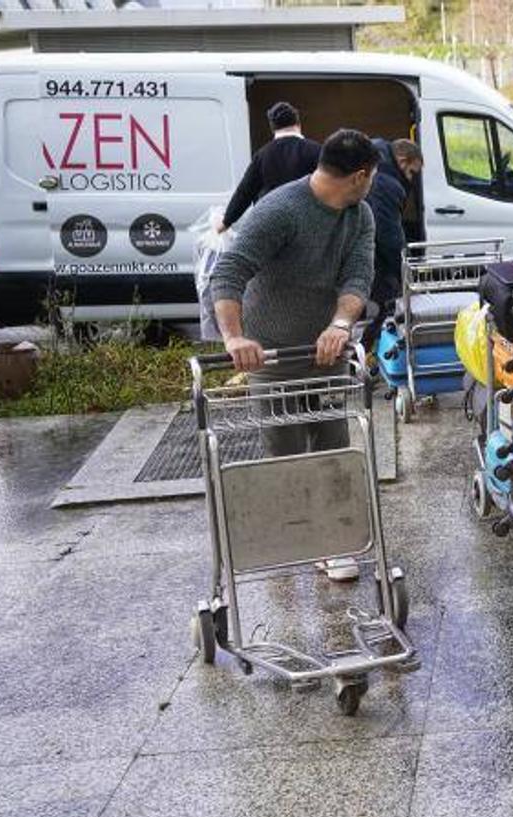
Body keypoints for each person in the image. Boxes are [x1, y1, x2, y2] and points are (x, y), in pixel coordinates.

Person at [210, 128, 379, 582]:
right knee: (283, 448)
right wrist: (234, 338)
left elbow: (358, 277)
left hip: (325, 349)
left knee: (332, 440)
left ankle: (332, 544)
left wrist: (340, 325)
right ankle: (288, 538)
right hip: (272, 353)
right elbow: (227, 273)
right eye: (373, 177)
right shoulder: (280, 211)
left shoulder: (359, 215)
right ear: (361, 175)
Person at [217, 101, 322, 233]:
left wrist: (226, 222)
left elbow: (245, 192)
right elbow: (332, 184)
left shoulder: (262, 155)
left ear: (272, 128)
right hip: (306, 225)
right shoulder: (316, 151)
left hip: (270, 226)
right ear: (298, 124)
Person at [365, 138, 424, 348]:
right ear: (401, 160)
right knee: (385, 303)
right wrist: (404, 271)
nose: (411, 180)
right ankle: (369, 353)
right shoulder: (387, 185)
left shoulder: (374, 161)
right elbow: (388, 235)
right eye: (411, 173)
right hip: (371, 257)